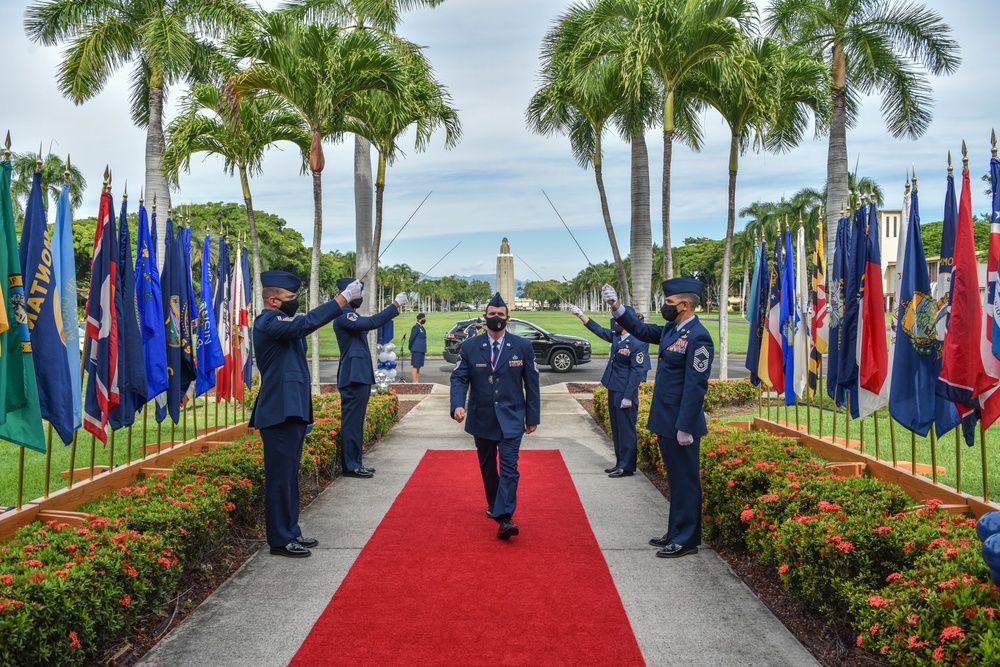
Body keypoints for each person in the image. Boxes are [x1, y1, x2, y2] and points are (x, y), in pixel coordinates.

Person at [250, 271, 362, 558]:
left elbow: (301, 329)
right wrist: (341, 300)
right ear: (273, 300)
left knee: (289, 476)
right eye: (290, 297)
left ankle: (291, 531)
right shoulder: (268, 322)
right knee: (279, 478)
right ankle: (279, 539)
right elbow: (307, 323)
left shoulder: (282, 324)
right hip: (278, 413)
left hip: (292, 411)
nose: (295, 302)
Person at [603, 279, 714, 559]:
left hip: (681, 423)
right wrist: (616, 306)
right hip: (666, 418)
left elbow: (696, 384)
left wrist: (686, 425)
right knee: (675, 480)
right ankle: (675, 530)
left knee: (686, 481)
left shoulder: (699, 337)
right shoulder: (671, 328)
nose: (664, 307)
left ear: (685, 305)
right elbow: (640, 329)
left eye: (668, 303)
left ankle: (687, 538)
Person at [450, 292, 540, 540]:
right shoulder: (470, 346)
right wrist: (458, 404)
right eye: (492, 315)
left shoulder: (522, 346)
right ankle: (494, 503)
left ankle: (505, 516)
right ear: (485, 317)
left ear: (507, 318)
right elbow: (459, 377)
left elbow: (532, 383)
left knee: (510, 467)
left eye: (501, 315)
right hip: (482, 417)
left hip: (512, 417)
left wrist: (532, 417)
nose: (496, 318)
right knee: (488, 466)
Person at [334, 278, 407, 478]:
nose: (361, 297)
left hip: (359, 376)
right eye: (358, 293)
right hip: (353, 377)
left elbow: (370, 322)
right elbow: (372, 322)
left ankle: (356, 462)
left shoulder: (351, 314)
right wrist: (395, 305)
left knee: (356, 423)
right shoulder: (343, 315)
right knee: (352, 424)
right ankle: (350, 465)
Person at [568, 304, 650, 477]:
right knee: (617, 428)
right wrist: (580, 315)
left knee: (626, 429)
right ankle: (620, 462)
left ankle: (627, 466)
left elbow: (638, 372)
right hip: (613, 387)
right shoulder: (617, 336)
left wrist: (628, 396)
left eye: (618, 318)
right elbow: (597, 330)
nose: (615, 322)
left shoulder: (638, 341)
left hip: (625, 391)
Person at [409, 313, 427, 383]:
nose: (424, 320)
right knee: (415, 365)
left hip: (421, 349)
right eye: (423, 318)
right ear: (419, 320)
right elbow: (411, 338)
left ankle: (417, 381)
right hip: (416, 349)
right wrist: (410, 347)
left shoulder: (422, 328)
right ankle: (414, 382)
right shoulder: (415, 327)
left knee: (419, 365)